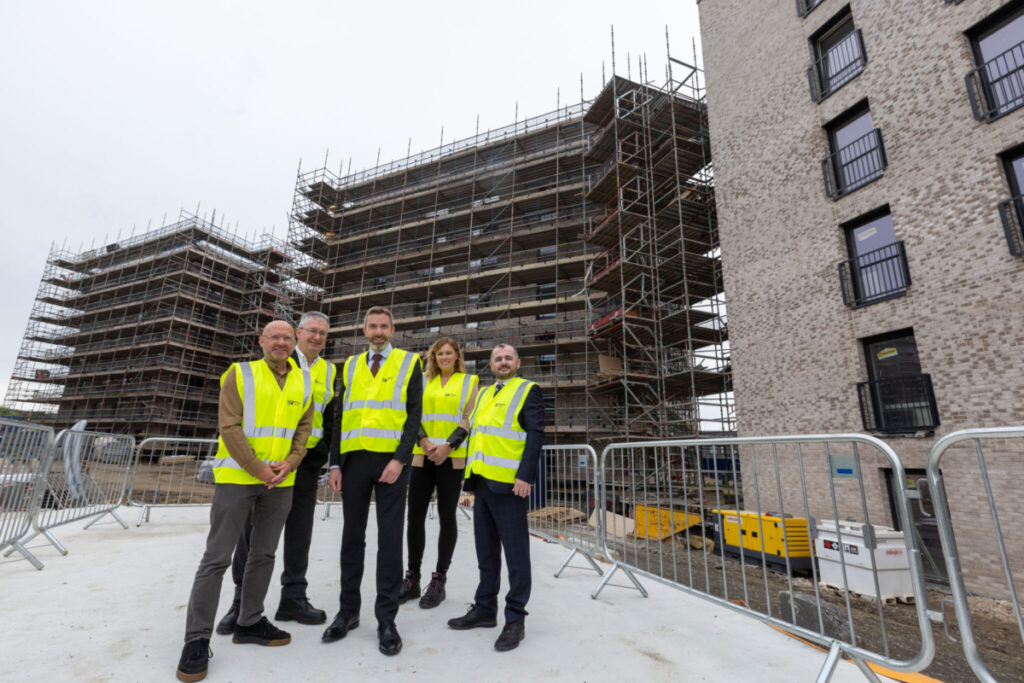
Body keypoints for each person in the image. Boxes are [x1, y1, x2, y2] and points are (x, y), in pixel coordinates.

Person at [176, 320, 313, 683]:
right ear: (261, 341)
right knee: (217, 558)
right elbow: (230, 427)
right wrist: (258, 469)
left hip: (281, 481)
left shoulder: (303, 380)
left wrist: (291, 462)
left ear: (294, 341)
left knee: (264, 554)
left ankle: (250, 621)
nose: (281, 342)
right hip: (238, 478)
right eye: (275, 337)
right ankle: (196, 639)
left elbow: (304, 430)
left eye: (287, 337)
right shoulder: (239, 374)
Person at [215, 312, 336, 635]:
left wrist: (322, 453)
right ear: (298, 333)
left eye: (322, 333)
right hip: (263, 461)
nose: (316, 338)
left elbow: (324, 415)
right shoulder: (279, 359)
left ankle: (293, 597)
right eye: (311, 331)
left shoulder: (328, 369)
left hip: (304, 463)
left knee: (300, 531)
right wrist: (259, 463)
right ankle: (241, 603)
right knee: (253, 535)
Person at [322, 306, 422, 656]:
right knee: (352, 538)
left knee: (390, 540)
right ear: (363, 329)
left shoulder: (410, 362)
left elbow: (414, 415)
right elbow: (338, 418)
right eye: (372, 326)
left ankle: (386, 619)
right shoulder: (348, 366)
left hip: (391, 462)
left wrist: (400, 459)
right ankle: (348, 612)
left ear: (393, 328)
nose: (378, 331)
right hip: (353, 462)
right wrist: (335, 464)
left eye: (384, 326)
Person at [447, 343, 544, 652]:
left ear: (518, 362)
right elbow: (477, 435)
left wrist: (525, 476)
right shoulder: (485, 394)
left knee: (516, 558)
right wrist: (469, 480)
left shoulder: (529, 389)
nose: (502, 363)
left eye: (507, 358)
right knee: (486, 554)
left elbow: (536, 434)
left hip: (509, 487)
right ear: (490, 365)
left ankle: (515, 619)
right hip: (484, 485)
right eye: (497, 359)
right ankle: (485, 609)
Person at [399, 337, 478, 608]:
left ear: (457, 356)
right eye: (440, 353)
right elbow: (413, 414)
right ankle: (412, 577)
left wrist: (448, 445)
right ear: (434, 356)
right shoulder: (422, 380)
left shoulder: (470, 382)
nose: (445, 357)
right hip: (423, 455)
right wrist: (425, 442)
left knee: (447, 518)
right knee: (415, 517)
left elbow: (470, 418)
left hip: (452, 458)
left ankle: (439, 579)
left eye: (449, 353)